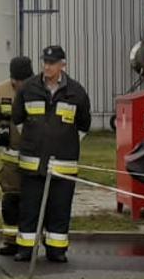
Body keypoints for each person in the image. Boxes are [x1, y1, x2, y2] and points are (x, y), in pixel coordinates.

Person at [13, 44, 92, 264]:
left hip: (64, 164)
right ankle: (26, 250)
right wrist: (34, 140)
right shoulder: (28, 88)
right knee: (29, 208)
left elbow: (84, 125)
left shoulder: (76, 92)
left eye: (52, 63)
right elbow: (18, 119)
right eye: (45, 62)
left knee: (59, 208)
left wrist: (64, 142)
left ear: (62, 65)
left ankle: (56, 250)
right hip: (32, 163)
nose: (47, 67)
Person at [0, 55, 36, 256]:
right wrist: (2, 128)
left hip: (34, 156)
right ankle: (10, 241)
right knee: (10, 201)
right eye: (16, 80)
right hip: (10, 160)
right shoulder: (1, 91)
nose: (19, 84)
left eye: (23, 79)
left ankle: (29, 242)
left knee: (32, 200)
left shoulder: (38, 89)